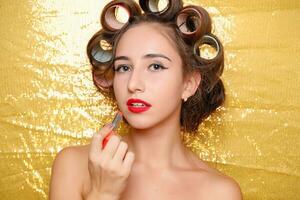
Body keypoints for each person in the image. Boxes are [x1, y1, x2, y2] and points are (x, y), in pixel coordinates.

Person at [49, 0, 243, 199]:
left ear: (188, 83)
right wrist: (102, 193)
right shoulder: (73, 165)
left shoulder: (219, 192)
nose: (133, 84)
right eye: (124, 68)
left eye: (155, 66)